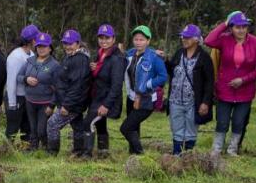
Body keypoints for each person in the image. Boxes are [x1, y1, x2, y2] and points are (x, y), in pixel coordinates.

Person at [204, 12, 256, 156]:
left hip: (245, 90)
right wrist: (225, 23)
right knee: (222, 122)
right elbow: (208, 40)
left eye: (244, 27)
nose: (241, 30)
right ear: (231, 28)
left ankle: (232, 149)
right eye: (237, 27)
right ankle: (217, 149)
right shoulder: (224, 40)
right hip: (225, 89)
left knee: (239, 122)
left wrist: (243, 80)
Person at [165, 25, 214, 155]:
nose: (184, 39)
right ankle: (176, 156)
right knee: (177, 130)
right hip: (175, 99)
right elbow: (171, 70)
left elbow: (210, 82)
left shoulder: (204, 58)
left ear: (197, 39)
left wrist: (205, 102)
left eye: (188, 37)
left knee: (191, 131)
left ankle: (188, 156)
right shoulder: (179, 53)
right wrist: (165, 61)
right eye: (183, 36)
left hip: (193, 101)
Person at [120, 26, 168, 155]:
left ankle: (140, 153)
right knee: (134, 127)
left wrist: (149, 84)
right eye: (136, 39)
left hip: (146, 100)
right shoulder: (131, 54)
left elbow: (163, 76)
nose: (138, 42)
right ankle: (133, 155)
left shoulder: (154, 57)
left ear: (148, 40)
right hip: (131, 98)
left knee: (125, 128)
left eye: (142, 39)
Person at [46, 30, 92, 157]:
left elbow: (78, 86)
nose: (67, 46)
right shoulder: (69, 56)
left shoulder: (80, 60)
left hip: (72, 103)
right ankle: (78, 151)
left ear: (78, 44)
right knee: (77, 126)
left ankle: (52, 152)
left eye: (70, 43)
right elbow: (62, 82)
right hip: (67, 100)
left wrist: (67, 105)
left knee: (52, 124)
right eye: (65, 43)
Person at [85, 25, 124, 157]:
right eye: (101, 38)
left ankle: (86, 154)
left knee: (87, 123)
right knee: (100, 125)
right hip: (97, 96)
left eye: (107, 38)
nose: (104, 41)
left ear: (113, 39)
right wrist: (94, 68)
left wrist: (107, 104)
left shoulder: (117, 59)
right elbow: (101, 73)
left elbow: (117, 85)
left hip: (105, 99)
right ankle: (103, 152)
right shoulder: (101, 53)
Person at [20, 33, 60, 152]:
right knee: (32, 127)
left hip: (45, 102)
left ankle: (48, 147)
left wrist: (52, 105)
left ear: (50, 48)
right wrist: (26, 79)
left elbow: (58, 88)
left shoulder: (55, 65)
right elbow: (19, 76)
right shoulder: (30, 61)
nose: (41, 49)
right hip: (30, 100)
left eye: (44, 46)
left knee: (41, 129)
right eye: (39, 46)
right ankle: (33, 148)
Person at [5, 26, 39, 143]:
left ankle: (26, 147)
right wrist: (12, 102)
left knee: (27, 125)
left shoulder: (31, 54)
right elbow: (11, 81)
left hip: (26, 97)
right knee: (13, 127)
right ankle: (7, 149)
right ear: (32, 40)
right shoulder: (15, 56)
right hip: (16, 97)